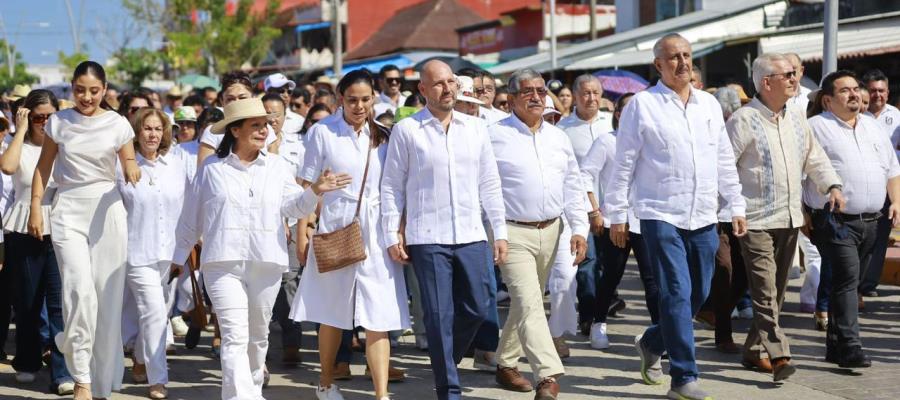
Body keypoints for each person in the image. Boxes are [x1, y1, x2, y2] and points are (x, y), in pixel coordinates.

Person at [173, 98, 350, 400]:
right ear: (235, 130)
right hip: (222, 263)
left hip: (267, 261)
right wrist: (178, 259)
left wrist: (315, 190)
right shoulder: (212, 169)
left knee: (257, 338)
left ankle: (252, 389)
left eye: (265, 125)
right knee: (234, 336)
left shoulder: (278, 167)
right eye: (256, 125)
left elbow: (293, 208)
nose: (264, 130)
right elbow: (191, 216)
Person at [604, 34, 747, 400]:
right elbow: (624, 164)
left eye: (687, 55)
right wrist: (617, 214)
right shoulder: (642, 106)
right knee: (677, 292)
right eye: (673, 57)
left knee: (698, 292)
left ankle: (653, 340)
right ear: (659, 65)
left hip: (703, 213)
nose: (682, 62)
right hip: (659, 212)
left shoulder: (709, 105)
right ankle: (684, 378)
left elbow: (723, 160)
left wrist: (736, 204)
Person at [381, 60, 508, 400]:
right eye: (438, 84)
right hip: (427, 236)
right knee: (438, 314)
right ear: (423, 90)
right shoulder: (408, 131)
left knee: (480, 306)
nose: (447, 88)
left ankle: (446, 359)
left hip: (471, 234)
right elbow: (392, 186)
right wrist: (392, 233)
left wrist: (500, 231)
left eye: (451, 82)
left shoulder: (475, 128)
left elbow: (490, 183)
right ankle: (448, 388)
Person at [289, 69, 410, 400]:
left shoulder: (384, 136)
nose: (359, 106)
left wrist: (397, 232)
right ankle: (326, 382)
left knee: (379, 313)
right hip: (337, 226)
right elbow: (306, 186)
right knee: (332, 310)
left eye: (365, 99)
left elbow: (395, 190)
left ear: (374, 98)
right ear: (340, 98)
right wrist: (303, 233)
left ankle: (381, 393)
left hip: (379, 230)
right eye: (352, 99)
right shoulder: (322, 133)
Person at [28, 61, 142, 400]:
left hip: (107, 209)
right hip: (68, 210)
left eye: (94, 90)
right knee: (78, 293)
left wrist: (133, 169)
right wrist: (36, 206)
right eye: (80, 90)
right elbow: (43, 167)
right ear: (71, 88)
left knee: (106, 299)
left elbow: (130, 161)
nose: (87, 96)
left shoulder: (118, 124)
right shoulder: (59, 122)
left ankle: (101, 378)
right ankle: (81, 379)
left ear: (105, 90)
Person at [728, 53, 843, 381]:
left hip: (789, 218)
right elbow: (723, 168)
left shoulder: (796, 117)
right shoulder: (742, 120)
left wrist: (831, 185)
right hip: (755, 221)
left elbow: (814, 158)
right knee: (764, 291)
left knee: (775, 293)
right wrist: (732, 209)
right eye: (788, 75)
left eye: (795, 74)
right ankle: (779, 356)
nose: (796, 79)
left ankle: (752, 351)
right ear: (767, 82)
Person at [489, 69, 587, 400]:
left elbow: (573, 186)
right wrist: (493, 232)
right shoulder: (493, 136)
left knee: (525, 302)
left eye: (540, 90)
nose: (536, 96)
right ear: (512, 98)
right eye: (527, 91)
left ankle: (504, 363)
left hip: (553, 230)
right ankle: (547, 374)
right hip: (512, 232)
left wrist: (580, 228)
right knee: (530, 302)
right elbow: (484, 189)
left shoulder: (558, 137)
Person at [804, 70, 900, 369]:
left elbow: (891, 168)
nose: (854, 94)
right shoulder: (815, 127)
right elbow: (798, 173)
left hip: (872, 220)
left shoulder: (873, 127)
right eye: (845, 90)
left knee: (851, 282)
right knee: (847, 279)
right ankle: (850, 346)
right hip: (834, 220)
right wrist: (803, 213)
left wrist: (896, 200)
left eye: (856, 88)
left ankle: (834, 345)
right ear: (828, 100)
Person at [0, 89, 75, 395]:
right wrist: (19, 131)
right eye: (38, 116)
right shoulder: (19, 143)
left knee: (60, 304)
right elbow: (7, 167)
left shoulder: (66, 145)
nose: (44, 122)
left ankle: (62, 372)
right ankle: (28, 361)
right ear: (28, 116)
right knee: (28, 302)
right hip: (22, 226)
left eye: (50, 116)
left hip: (61, 225)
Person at [118, 107, 191, 399]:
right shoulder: (122, 164)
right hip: (136, 252)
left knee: (149, 312)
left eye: (158, 129)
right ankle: (157, 379)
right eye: (147, 128)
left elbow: (187, 207)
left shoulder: (175, 165)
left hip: (169, 254)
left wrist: (186, 248)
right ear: (137, 132)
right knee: (155, 314)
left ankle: (139, 359)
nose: (152, 134)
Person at [581, 93, 661, 350]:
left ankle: (660, 334)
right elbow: (585, 176)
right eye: (629, 110)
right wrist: (595, 211)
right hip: (615, 220)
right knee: (611, 275)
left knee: (652, 279)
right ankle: (598, 324)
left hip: (647, 219)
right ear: (618, 114)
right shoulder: (606, 142)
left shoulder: (652, 142)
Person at [556, 74, 613, 334]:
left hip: (613, 207)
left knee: (609, 262)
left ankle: (605, 306)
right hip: (581, 207)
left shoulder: (611, 124)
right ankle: (588, 315)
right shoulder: (563, 130)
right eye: (586, 93)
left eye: (596, 93)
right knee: (586, 262)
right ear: (575, 97)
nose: (591, 98)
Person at [859, 69, 900, 299]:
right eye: (873, 90)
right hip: (864, 184)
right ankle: (856, 282)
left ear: (888, 92)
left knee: (881, 237)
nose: (877, 95)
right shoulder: (857, 115)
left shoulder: (896, 116)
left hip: (889, 187)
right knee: (863, 235)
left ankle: (868, 284)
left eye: (881, 91)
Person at [197, 72, 278, 166]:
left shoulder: (267, 130)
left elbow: (274, 167)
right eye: (230, 99)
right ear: (222, 102)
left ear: (252, 98)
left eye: (242, 98)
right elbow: (204, 172)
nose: (237, 103)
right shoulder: (211, 133)